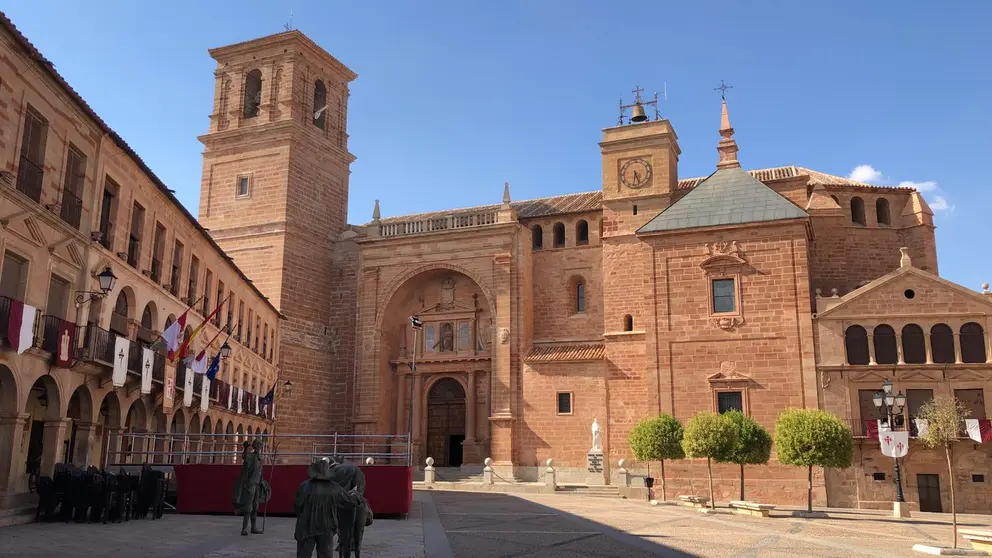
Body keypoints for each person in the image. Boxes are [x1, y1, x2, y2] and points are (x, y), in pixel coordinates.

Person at [294, 458, 341, 558]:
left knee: (304, 554)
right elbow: (344, 501)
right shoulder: (334, 487)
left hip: (307, 525)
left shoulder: (305, 486)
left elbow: (297, 506)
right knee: (325, 554)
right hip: (327, 526)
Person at [328, 456, 370, 558]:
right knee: (356, 534)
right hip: (356, 504)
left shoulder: (332, 473)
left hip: (344, 508)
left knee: (344, 536)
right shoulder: (354, 469)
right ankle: (356, 552)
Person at [232, 439, 268, 535]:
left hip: (257, 485)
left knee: (256, 507)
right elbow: (245, 458)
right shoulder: (251, 456)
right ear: (254, 446)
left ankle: (253, 527)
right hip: (251, 485)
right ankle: (244, 528)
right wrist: (245, 449)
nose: (259, 446)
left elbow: (260, 472)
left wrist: (262, 482)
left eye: (260, 445)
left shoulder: (260, 458)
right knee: (248, 507)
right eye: (258, 444)